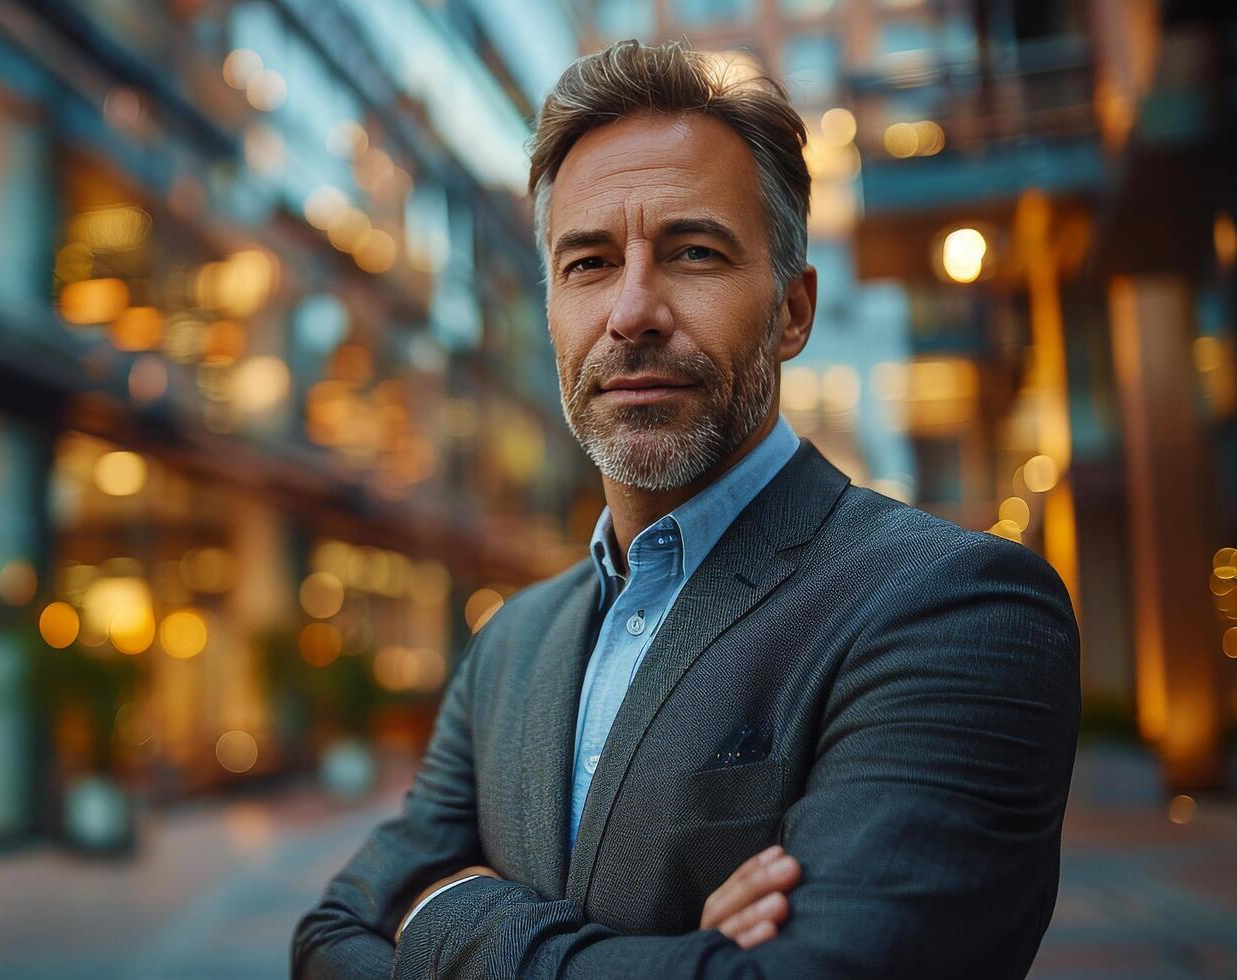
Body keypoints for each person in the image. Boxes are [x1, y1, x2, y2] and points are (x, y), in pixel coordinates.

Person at [293, 38, 1079, 979]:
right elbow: (329, 939)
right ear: (547, 306)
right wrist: (680, 958)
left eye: (693, 252)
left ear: (792, 311)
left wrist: (453, 913)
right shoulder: (511, 646)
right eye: (586, 263)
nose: (632, 311)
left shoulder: (955, 610)